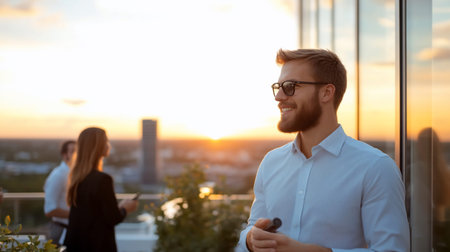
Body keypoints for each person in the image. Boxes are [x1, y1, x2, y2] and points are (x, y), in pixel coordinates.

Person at [236, 49, 410, 252]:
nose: (279, 97)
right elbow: (252, 230)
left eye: (291, 86)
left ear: (326, 92)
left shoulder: (375, 168)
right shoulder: (271, 162)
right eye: (278, 87)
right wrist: (249, 240)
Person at [64, 127, 138, 252]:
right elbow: (113, 219)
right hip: (97, 245)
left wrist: (118, 208)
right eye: (106, 141)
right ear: (98, 146)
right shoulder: (103, 180)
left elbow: (94, 214)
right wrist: (126, 208)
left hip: (76, 244)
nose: (108, 145)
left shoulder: (76, 177)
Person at [43, 140, 76, 246]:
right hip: (60, 231)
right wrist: (79, 215)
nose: (77, 155)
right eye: (73, 151)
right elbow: (50, 210)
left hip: (72, 230)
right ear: (64, 155)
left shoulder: (73, 174)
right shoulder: (58, 175)